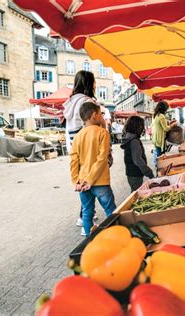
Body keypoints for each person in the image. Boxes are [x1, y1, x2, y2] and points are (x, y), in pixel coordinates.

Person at [69, 102, 116, 237]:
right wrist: (91, 179)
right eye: (101, 114)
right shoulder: (103, 133)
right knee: (111, 212)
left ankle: (89, 242)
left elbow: (73, 160)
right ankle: (115, 237)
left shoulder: (78, 136)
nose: (102, 116)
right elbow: (102, 159)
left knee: (87, 212)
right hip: (100, 181)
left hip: (83, 182)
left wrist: (75, 181)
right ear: (94, 115)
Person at [63, 71, 100, 232]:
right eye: (94, 82)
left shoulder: (70, 102)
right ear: (89, 83)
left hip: (74, 148)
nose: (95, 85)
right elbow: (95, 125)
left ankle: (86, 216)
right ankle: (86, 220)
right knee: (93, 183)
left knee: (84, 182)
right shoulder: (87, 102)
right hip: (88, 150)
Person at [121, 116, 154, 191]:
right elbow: (137, 160)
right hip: (135, 173)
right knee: (136, 194)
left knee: (135, 191)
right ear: (138, 127)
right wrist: (148, 172)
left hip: (131, 172)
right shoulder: (134, 141)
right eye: (141, 126)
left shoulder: (128, 138)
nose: (142, 128)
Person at [152, 101, 177, 166]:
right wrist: (173, 125)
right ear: (164, 108)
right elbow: (166, 128)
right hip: (160, 138)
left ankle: (157, 165)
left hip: (156, 137)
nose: (167, 110)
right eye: (166, 108)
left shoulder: (157, 115)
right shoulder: (162, 116)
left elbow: (162, 125)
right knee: (160, 155)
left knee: (158, 153)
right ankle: (160, 168)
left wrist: (169, 123)